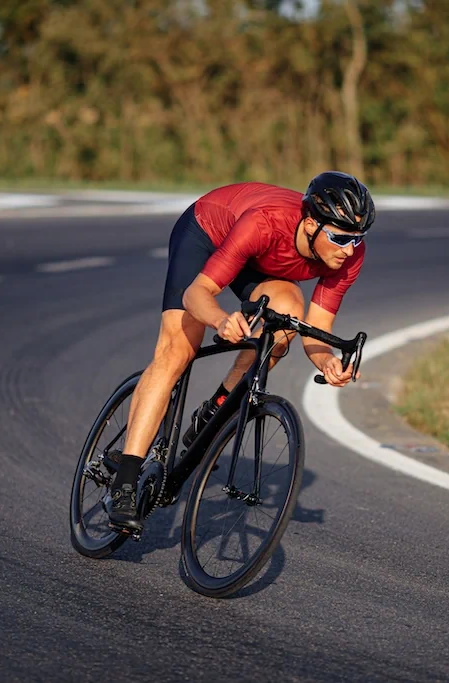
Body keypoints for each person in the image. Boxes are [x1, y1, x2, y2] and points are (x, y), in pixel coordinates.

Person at [105, 171, 375, 533]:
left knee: (286, 321)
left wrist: (327, 361)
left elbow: (317, 328)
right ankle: (125, 480)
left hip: (258, 261)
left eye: (357, 240)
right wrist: (220, 320)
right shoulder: (263, 223)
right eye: (340, 238)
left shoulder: (348, 254)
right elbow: (195, 294)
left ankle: (217, 406)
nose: (348, 249)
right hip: (208, 235)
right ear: (311, 223)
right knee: (178, 350)